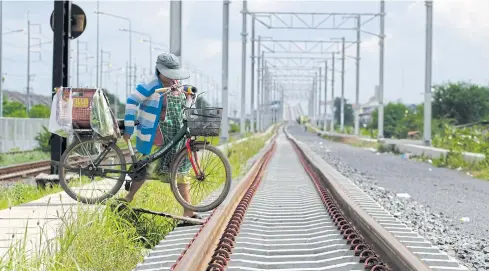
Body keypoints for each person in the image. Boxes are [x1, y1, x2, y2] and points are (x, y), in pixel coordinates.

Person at [120, 52, 202, 224]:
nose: (173, 78)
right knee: (144, 168)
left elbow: (183, 107)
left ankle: (188, 211)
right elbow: (131, 101)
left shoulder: (177, 85)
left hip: (175, 136)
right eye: (169, 74)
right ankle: (127, 199)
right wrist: (128, 128)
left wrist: (189, 98)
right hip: (155, 136)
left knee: (181, 172)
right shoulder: (150, 85)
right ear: (159, 71)